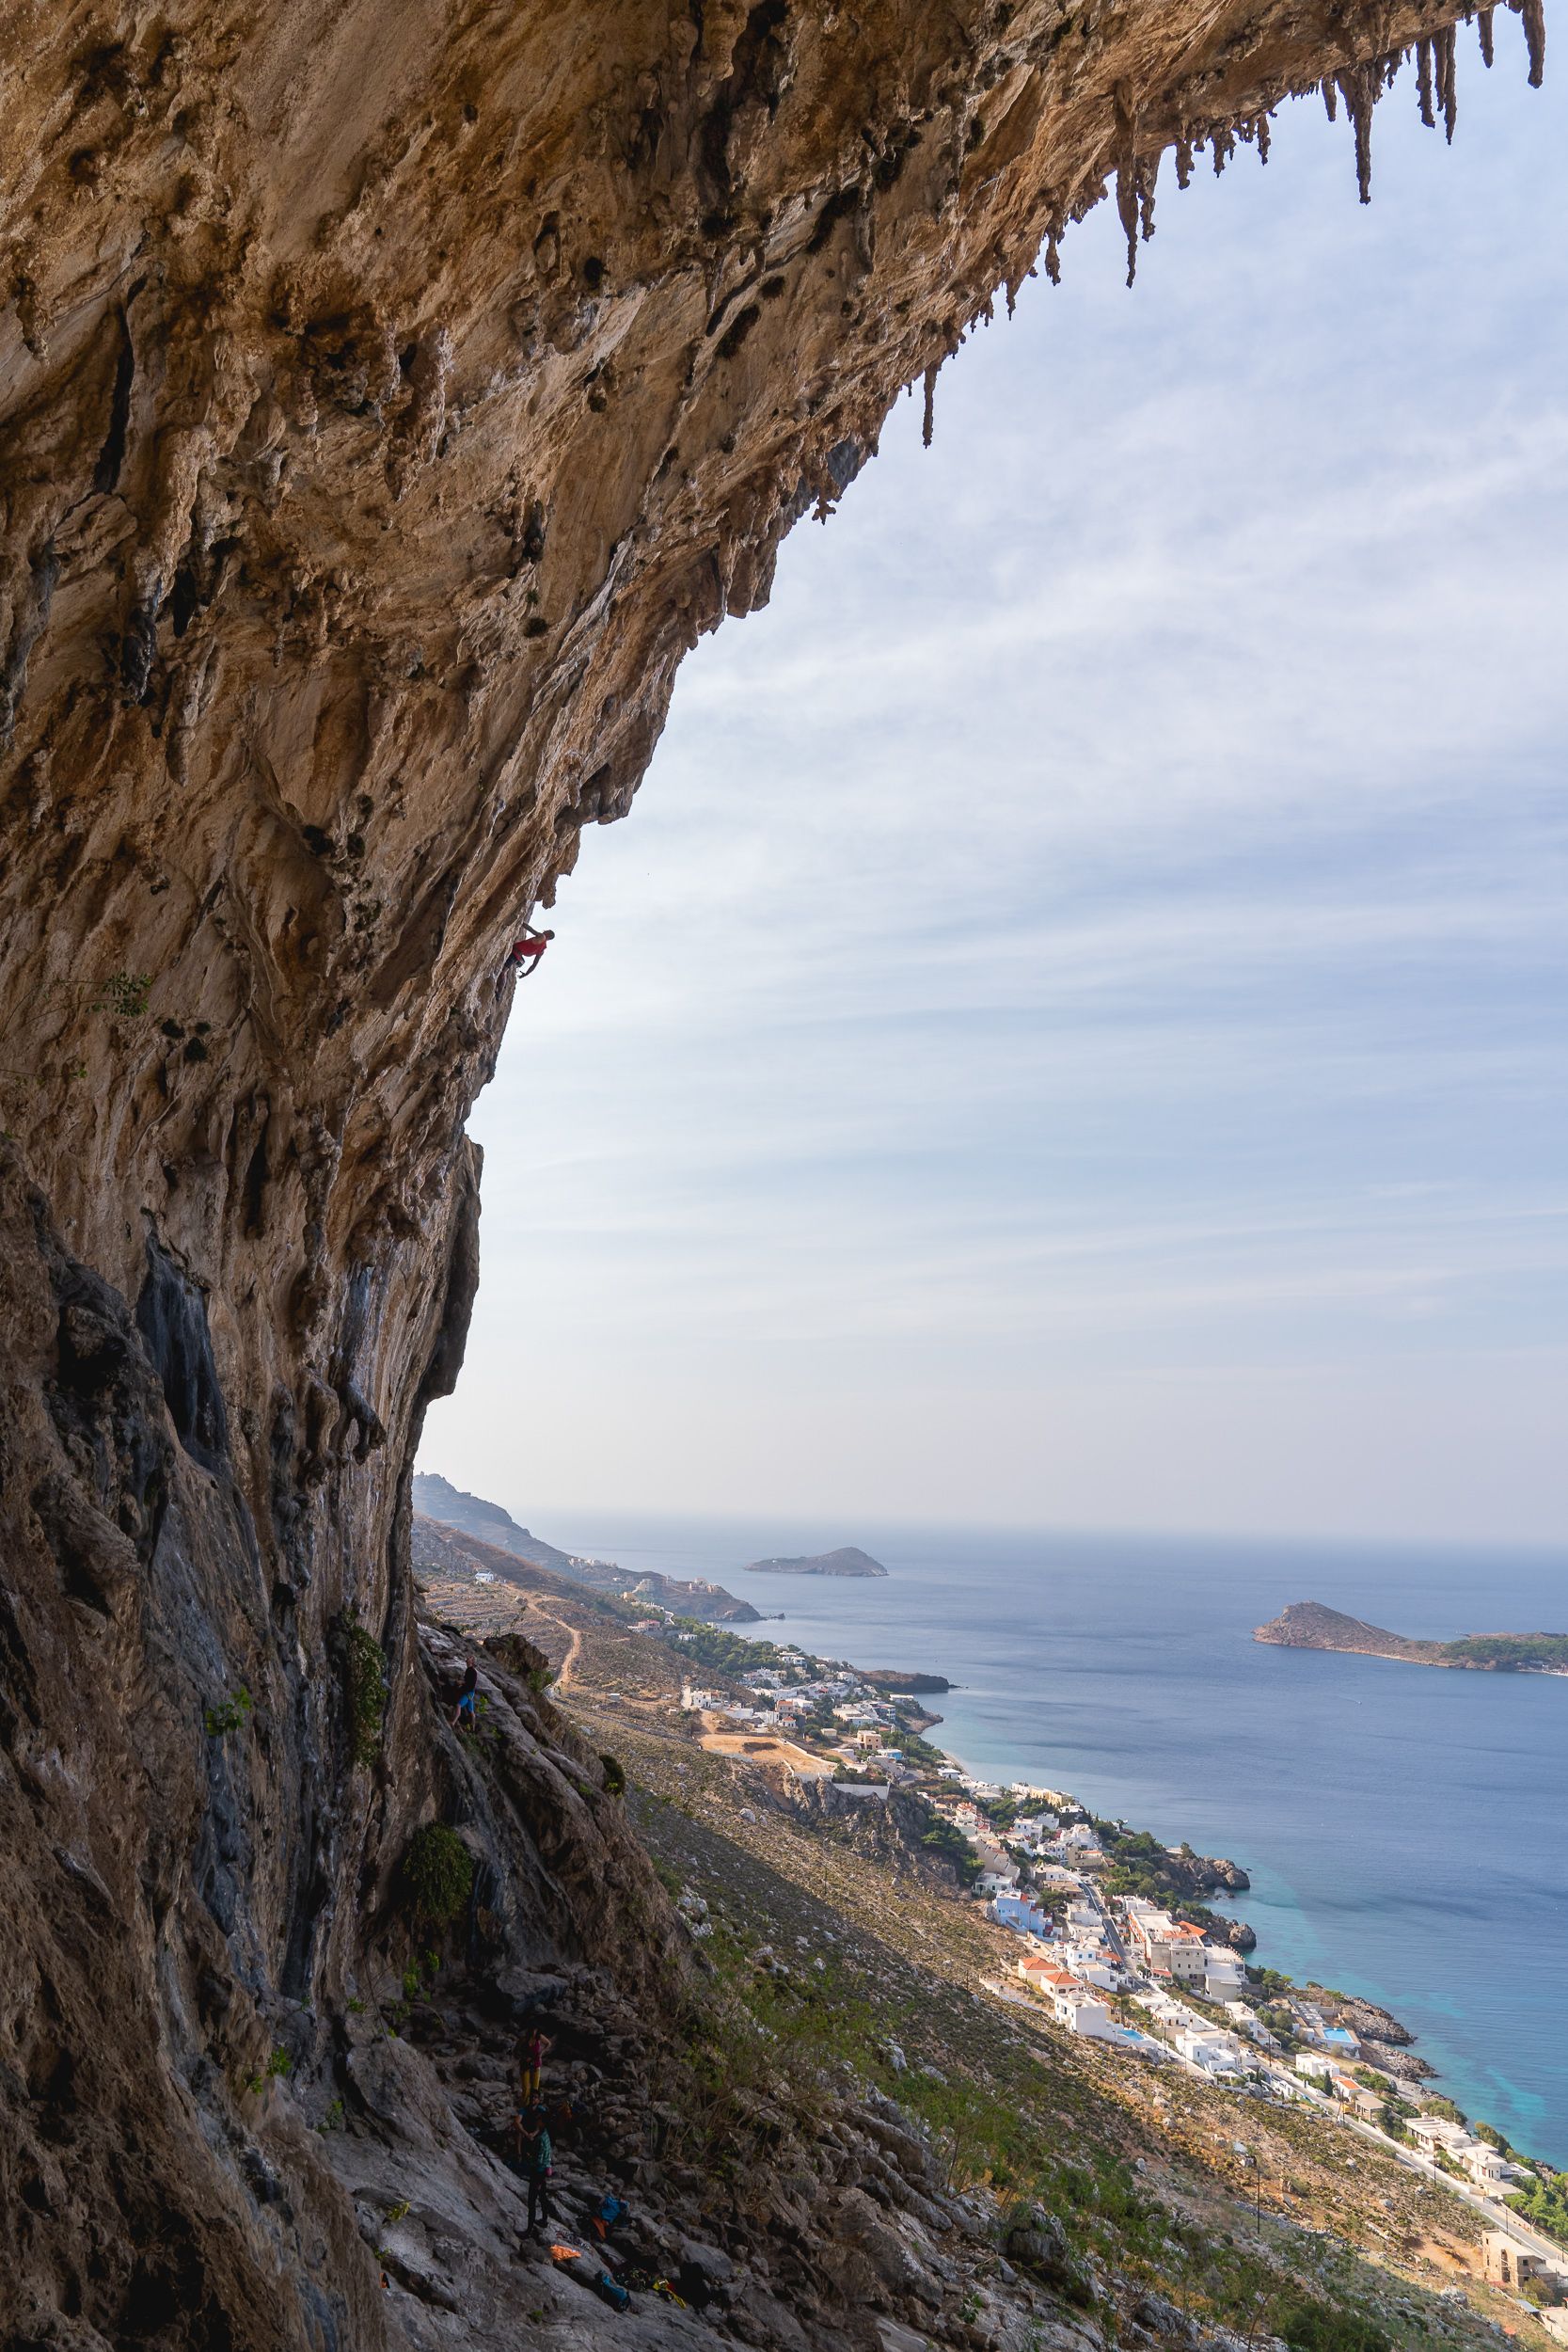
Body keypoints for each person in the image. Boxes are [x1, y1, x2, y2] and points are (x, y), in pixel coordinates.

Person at [518, 2106, 553, 2235]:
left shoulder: (540, 2140)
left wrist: (528, 2157)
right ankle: (544, 2220)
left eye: (539, 2120)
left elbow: (537, 2160)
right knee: (543, 2196)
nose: (537, 2121)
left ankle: (528, 2230)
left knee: (532, 2200)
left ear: (542, 2122)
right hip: (545, 2169)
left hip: (538, 2171)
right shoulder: (545, 2134)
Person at [498, 926, 554, 990]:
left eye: (547, 931)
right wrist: (526, 974)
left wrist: (522, 922)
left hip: (514, 953)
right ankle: (499, 992)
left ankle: (499, 992)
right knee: (504, 971)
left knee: (504, 972)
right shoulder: (541, 951)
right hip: (517, 957)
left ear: (548, 935)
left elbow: (531, 929)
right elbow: (534, 965)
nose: (544, 931)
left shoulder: (542, 936)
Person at [516, 2020, 552, 2105]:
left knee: (535, 2089)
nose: (534, 2032)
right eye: (533, 2030)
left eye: (535, 2030)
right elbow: (516, 2051)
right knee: (526, 2089)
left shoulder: (539, 2037)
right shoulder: (524, 2039)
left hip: (536, 2064)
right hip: (525, 2065)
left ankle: (531, 2107)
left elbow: (549, 2043)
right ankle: (523, 2106)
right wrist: (524, 2058)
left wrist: (541, 2053)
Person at [452, 1657, 479, 1731]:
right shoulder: (469, 1670)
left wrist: (461, 1683)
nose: (467, 1658)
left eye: (470, 1658)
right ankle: (473, 1728)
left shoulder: (472, 1671)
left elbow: (471, 1683)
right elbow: (468, 1682)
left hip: (469, 1693)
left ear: (472, 1662)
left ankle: (453, 1722)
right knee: (471, 1711)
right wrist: (462, 1684)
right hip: (471, 1692)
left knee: (458, 1705)